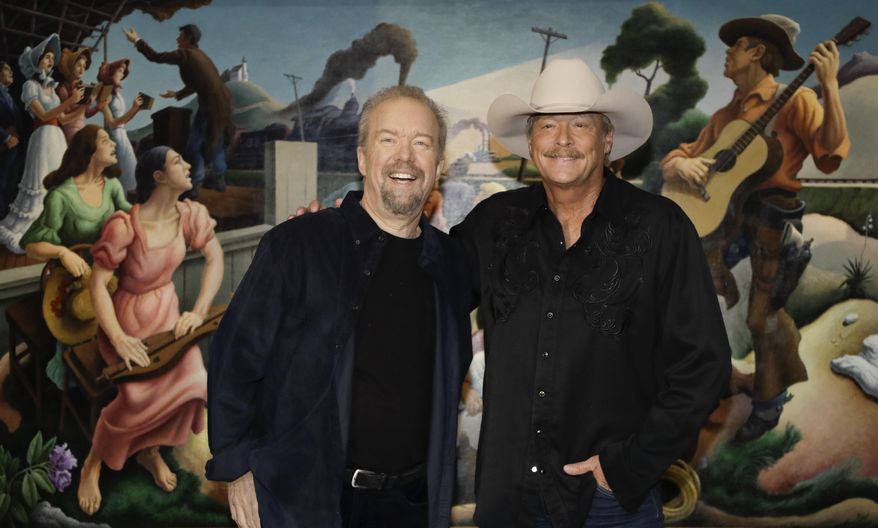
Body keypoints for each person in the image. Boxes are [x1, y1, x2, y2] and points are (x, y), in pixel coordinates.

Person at [450, 58, 731, 527]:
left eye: (580, 124)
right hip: (509, 498)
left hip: (607, 503)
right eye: (548, 125)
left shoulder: (660, 227)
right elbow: (425, 288)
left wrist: (629, 465)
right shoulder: (494, 223)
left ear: (607, 140)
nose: (562, 138)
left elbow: (704, 364)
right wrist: (351, 230)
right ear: (531, 142)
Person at [205, 85, 472, 528]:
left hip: (412, 507)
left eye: (421, 143)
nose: (405, 157)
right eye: (388, 139)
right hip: (305, 504)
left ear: (439, 165)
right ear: (363, 158)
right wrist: (236, 465)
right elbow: (235, 359)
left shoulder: (453, 264)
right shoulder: (298, 244)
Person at [661, 14, 849, 442]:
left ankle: (768, 403)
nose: (727, 53)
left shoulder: (797, 100)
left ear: (758, 52)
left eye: (736, 45)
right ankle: (714, 380)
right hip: (723, 222)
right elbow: (683, 153)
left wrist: (831, 86)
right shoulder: (727, 115)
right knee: (687, 300)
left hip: (770, 221)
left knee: (762, 317)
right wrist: (680, 165)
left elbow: (830, 155)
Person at [77, 145, 224, 515]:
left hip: (169, 317)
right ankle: (93, 463)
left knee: (195, 383)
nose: (188, 165)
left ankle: (150, 452)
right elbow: (98, 285)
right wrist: (119, 337)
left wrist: (198, 311)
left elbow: (215, 257)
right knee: (136, 399)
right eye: (177, 161)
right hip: (127, 321)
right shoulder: (124, 226)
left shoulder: (189, 214)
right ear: (158, 177)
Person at [20, 124, 132, 389]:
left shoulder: (112, 186)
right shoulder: (61, 196)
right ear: (89, 150)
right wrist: (62, 252)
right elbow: (31, 245)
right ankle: (76, 390)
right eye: (105, 140)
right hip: (74, 284)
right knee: (80, 346)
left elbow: (132, 219)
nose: (114, 144)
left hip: (110, 278)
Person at [123, 24, 231, 194]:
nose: (177, 38)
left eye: (180, 35)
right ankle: (219, 179)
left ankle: (195, 182)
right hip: (223, 103)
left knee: (194, 145)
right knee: (216, 140)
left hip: (209, 105)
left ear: (188, 38)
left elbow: (156, 57)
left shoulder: (185, 54)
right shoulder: (202, 56)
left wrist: (137, 40)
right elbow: (202, 81)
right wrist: (178, 94)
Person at [0, 33, 83, 253]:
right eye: (47, 57)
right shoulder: (30, 85)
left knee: (60, 181)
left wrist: (84, 105)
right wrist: (69, 101)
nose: (50, 61)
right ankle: (36, 230)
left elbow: (63, 118)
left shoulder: (52, 89)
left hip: (56, 137)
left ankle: (58, 228)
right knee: (42, 182)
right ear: (37, 61)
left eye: (52, 58)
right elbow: (44, 115)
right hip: (42, 137)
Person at [97, 58, 143, 193]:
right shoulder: (105, 93)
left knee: (130, 170)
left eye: (123, 72)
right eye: (120, 70)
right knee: (120, 172)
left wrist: (136, 110)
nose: (122, 74)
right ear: (111, 73)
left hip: (122, 136)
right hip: (113, 138)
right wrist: (133, 109)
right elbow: (111, 123)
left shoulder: (118, 95)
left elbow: (122, 122)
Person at [56, 47, 100, 143]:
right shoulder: (63, 89)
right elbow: (64, 119)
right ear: (71, 66)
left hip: (81, 128)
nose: (82, 70)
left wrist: (98, 106)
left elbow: (86, 114)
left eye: (84, 66)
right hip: (69, 129)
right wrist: (85, 106)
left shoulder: (82, 87)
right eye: (79, 65)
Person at [0, 60, 26, 218]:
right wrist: (6, 136)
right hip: (3, 146)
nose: (11, 72)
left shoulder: (9, 96)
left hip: (16, 148)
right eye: (6, 69)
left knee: (12, 183)